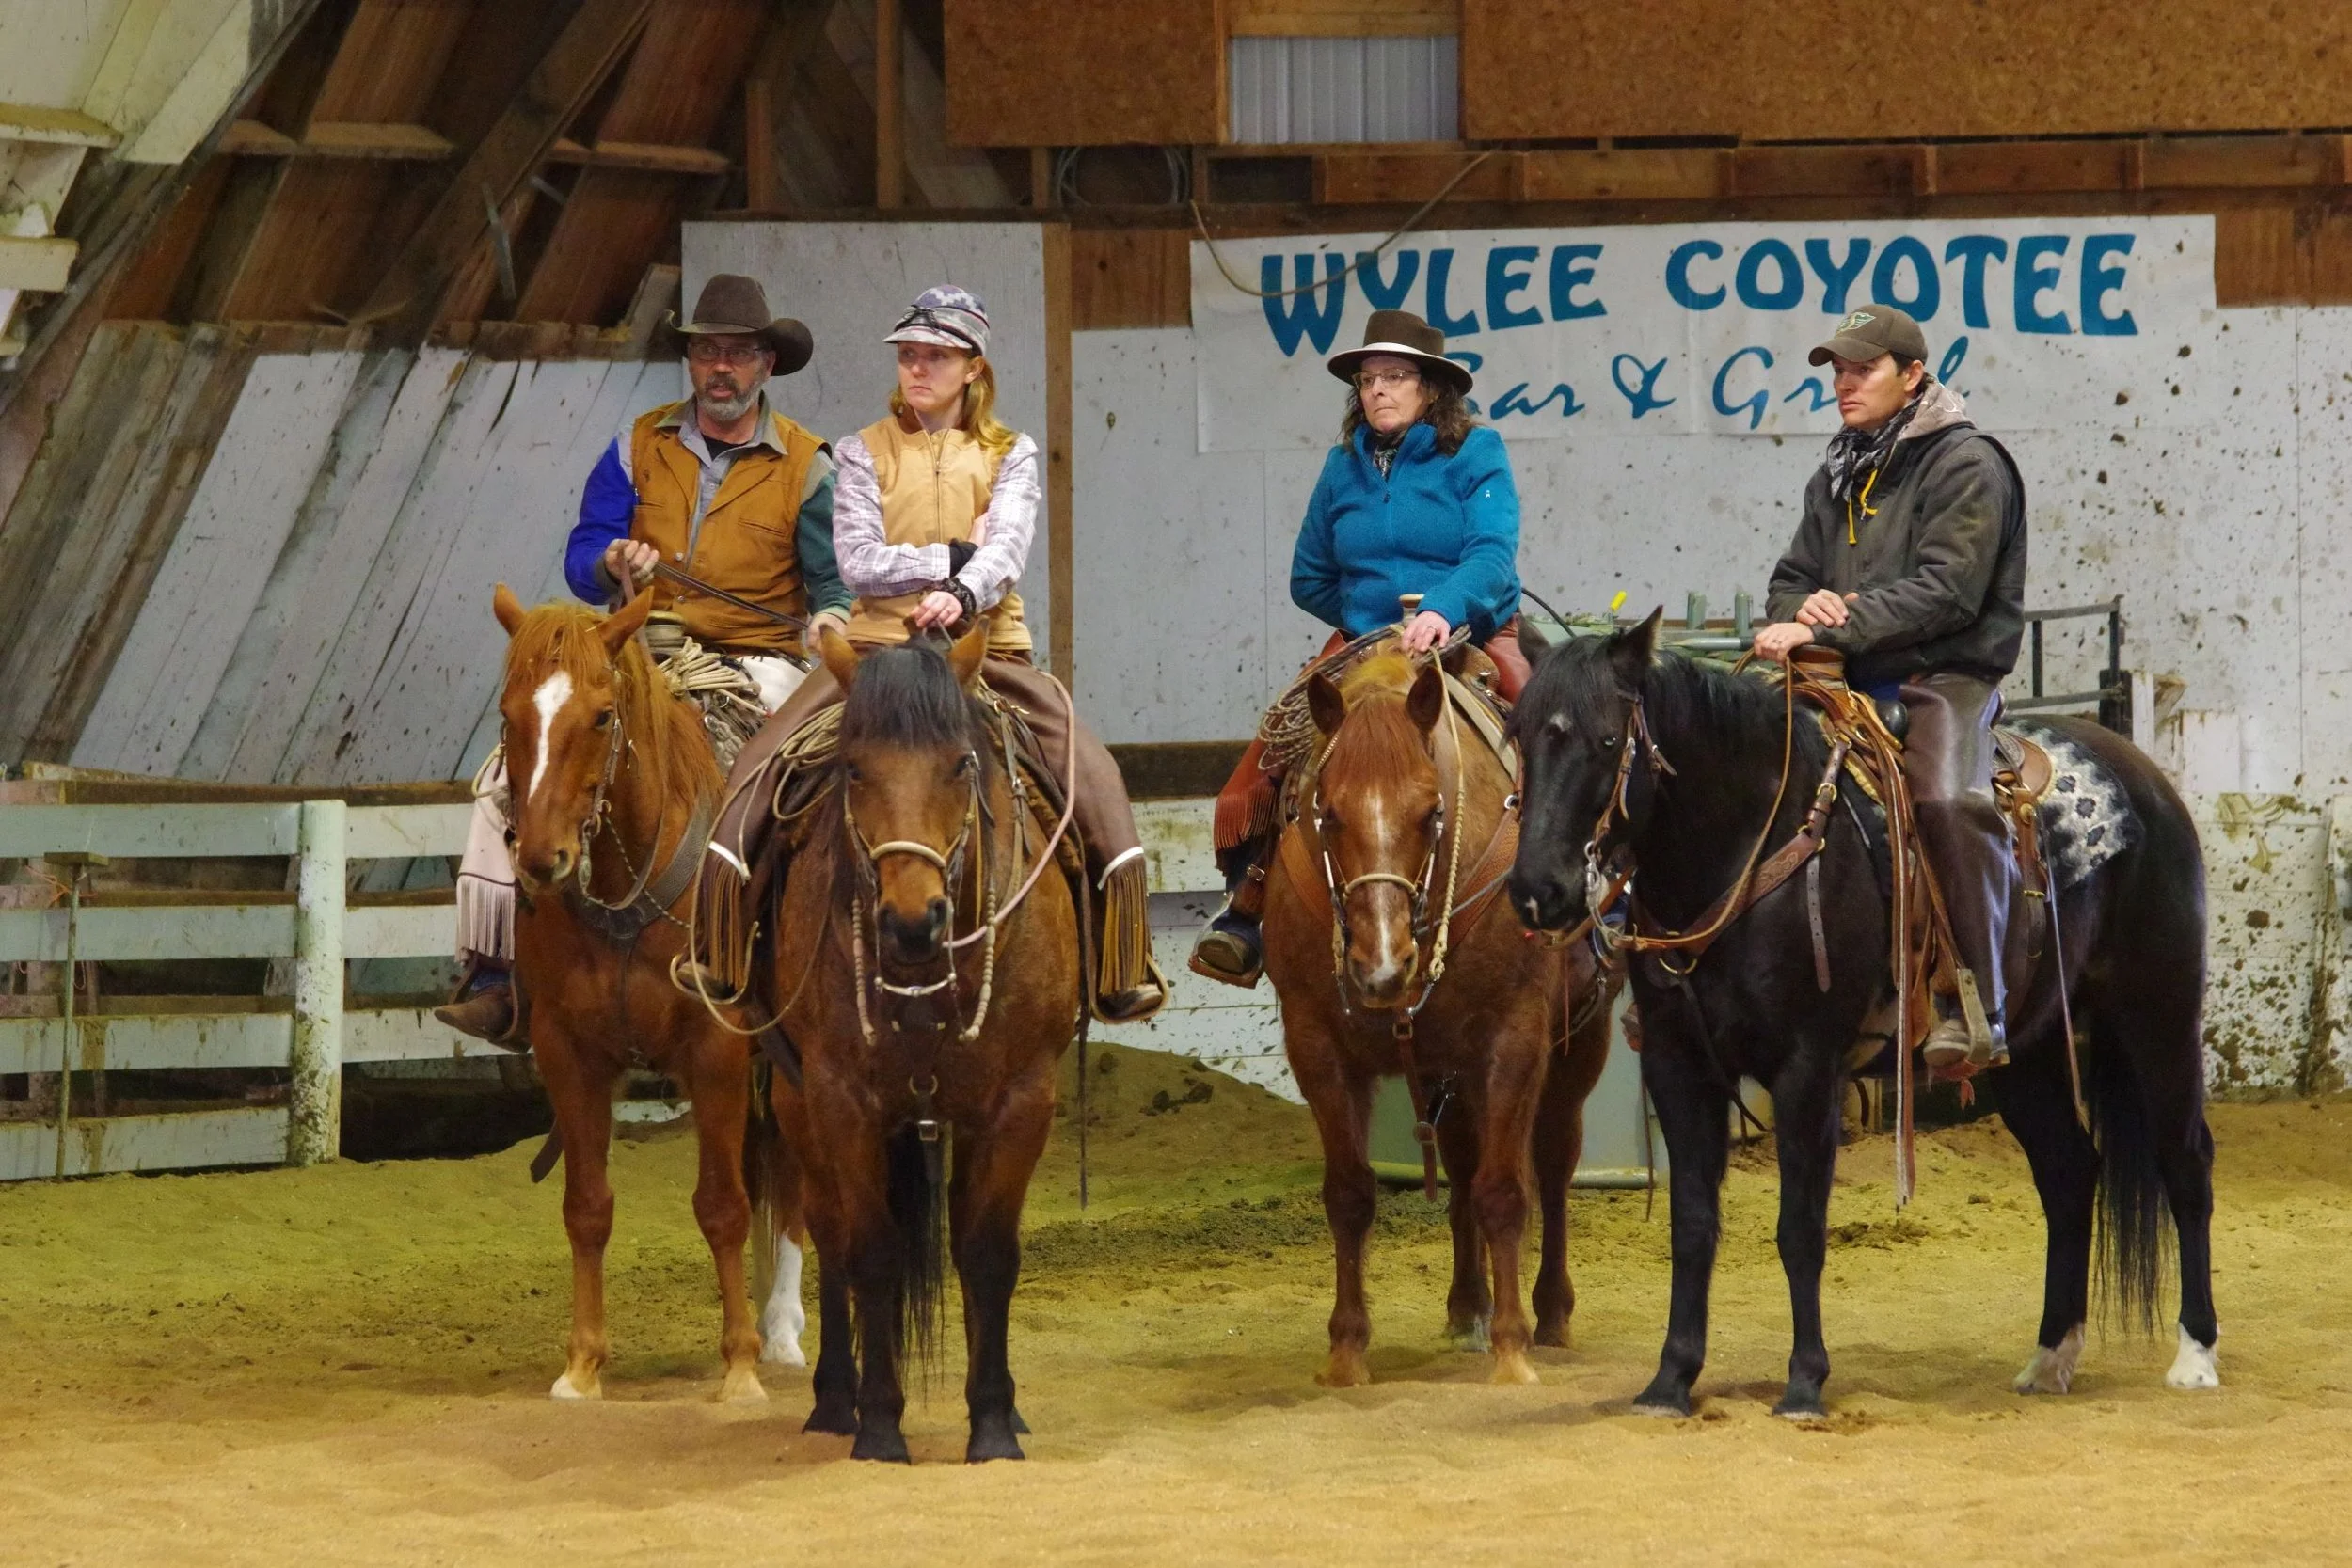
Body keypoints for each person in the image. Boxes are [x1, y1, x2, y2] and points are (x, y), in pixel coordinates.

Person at [695, 285, 1165, 1023]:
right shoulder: (857, 451)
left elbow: (1006, 548)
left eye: (937, 356)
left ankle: (1120, 957)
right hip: (877, 652)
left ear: (973, 367)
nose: (918, 368)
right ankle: (722, 946)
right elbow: (856, 562)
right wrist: (950, 556)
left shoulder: (1012, 452)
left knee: (1095, 778)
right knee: (758, 768)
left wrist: (965, 592)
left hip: (986, 652)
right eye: (909, 355)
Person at [436, 274, 850, 1045]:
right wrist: (609, 560)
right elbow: (581, 552)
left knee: (789, 779)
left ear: (765, 364)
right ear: (690, 363)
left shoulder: (809, 466)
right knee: (512, 768)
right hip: (636, 649)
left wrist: (827, 622)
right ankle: (496, 974)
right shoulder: (635, 445)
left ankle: (789, 958)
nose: (719, 368)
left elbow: (831, 584)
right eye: (705, 353)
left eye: (736, 353)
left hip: (755, 658)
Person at [1189, 309, 1525, 988]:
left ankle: (1584, 884)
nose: (1378, 390)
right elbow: (1308, 575)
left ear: (1431, 388)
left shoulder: (1477, 453)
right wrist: (1368, 625)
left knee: (1553, 724)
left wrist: (1441, 609)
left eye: (1395, 376)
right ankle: (1247, 903)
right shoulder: (1342, 468)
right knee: (1278, 743)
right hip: (1367, 644)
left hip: (1471, 631)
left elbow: (1492, 555)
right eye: (1368, 379)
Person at [1755, 304, 2027, 1070]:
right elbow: (1790, 579)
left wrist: (1830, 626)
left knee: (1946, 799)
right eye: (1837, 369)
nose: (1844, 383)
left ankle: (1974, 999)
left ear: (1912, 376)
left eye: (1861, 368)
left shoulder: (1967, 463)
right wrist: (1799, 612)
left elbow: (1950, 591)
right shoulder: (1840, 467)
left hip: (1943, 675)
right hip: (1846, 673)